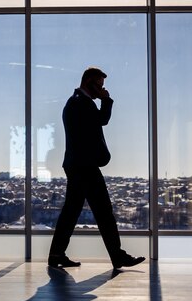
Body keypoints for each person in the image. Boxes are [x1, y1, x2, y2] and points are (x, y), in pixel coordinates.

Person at [48, 67, 145, 269]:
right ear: (88, 82)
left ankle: (57, 254)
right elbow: (103, 120)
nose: (102, 89)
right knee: (102, 212)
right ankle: (116, 256)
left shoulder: (76, 103)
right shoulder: (80, 103)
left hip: (79, 165)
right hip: (84, 166)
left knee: (74, 212)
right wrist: (106, 100)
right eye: (99, 85)